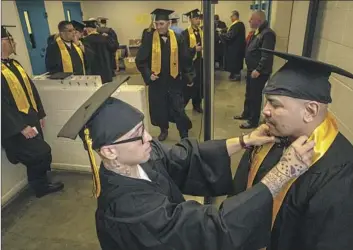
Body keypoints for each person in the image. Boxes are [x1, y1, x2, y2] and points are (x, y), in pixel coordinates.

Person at [57, 77, 315, 250]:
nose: (149, 138)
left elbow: (184, 157)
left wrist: (245, 140)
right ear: (110, 152)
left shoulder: (140, 155)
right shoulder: (126, 207)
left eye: (144, 128)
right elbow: (205, 228)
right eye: (137, 135)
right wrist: (280, 175)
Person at [230, 49, 353, 250]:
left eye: (274, 104)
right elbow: (239, 194)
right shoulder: (269, 139)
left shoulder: (340, 172)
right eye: (266, 101)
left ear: (310, 111)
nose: (265, 111)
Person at [1, 26, 64, 198]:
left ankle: (41, 183)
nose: (13, 43)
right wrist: (20, 127)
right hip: (15, 125)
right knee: (40, 152)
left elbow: (31, 89)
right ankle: (40, 187)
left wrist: (40, 113)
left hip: (30, 117)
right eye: (8, 39)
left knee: (40, 153)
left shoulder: (14, 64)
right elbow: (2, 106)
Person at [135, 9, 195, 141]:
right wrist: (148, 74)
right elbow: (140, 60)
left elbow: (185, 59)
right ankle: (163, 130)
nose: (158, 27)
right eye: (156, 24)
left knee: (178, 108)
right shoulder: (149, 38)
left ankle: (183, 132)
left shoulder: (178, 38)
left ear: (168, 23)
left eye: (161, 24)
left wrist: (188, 76)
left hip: (174, 80)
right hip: (157, 81)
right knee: (160, 107)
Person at [234, 10, 276, 129]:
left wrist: (258, 69)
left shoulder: (268, 34)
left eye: (251, 19)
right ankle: (246, 114)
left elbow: (267, 55)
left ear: (259, 20)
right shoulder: (258, 32)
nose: (249, 21)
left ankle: (253, 120)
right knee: (249, 94)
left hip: (258, 72)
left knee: (255, 96)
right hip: (251, 69)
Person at [82, 19, 119, 84]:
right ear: (96, 28)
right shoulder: (105, 38)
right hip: (106, 70)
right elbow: (114, 48)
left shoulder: (85, 40)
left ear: (88, 29)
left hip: (93, 71)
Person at [182, 9, 204, 113]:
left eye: (199, 18)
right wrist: (194, 49)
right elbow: (183, 51)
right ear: (190, 19)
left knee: (199, 85)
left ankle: (197, 104)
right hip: (190, 63)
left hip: (201, 62)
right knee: (190, 85)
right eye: (196, 18)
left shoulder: (201, 31)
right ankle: (182, 105)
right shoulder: (185, 33)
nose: (198, 20)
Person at [219, 10, 246, 81]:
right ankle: (233, 74)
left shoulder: (238, 25)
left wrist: (221, 35)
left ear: (235, 16)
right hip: (235, 47)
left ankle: (236, 75)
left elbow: (230, 36)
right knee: (234, 62)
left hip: (235, 48)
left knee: (235, 62)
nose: (230, 18)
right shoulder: (237, 25)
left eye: (231, 16)